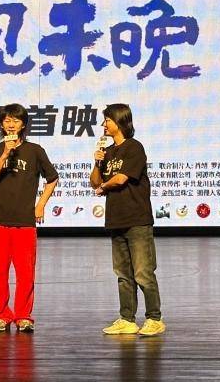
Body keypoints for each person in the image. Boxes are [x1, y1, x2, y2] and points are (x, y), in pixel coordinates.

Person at [0, 103, 58, 333]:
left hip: (25, 222)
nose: (11, 124)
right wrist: (5, 153)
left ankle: (23, 315)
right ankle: (1, 315)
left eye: (15, 120)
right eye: (7, 120)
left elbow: (52, 178)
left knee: (25, 273)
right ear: (1, 125)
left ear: (23, 124)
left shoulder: (35, 151)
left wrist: (40, 205)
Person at [91, 104, 164, 336]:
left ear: (120, 121)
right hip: (116, 219)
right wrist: (97, 162)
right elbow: (95, 182)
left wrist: (104, 186)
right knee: (123, 275)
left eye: (107, 120)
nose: (103, 125)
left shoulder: (134, 147)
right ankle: (127, 319)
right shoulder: (107, 151)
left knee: (143, 272)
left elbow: (121, 178)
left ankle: (154, 319)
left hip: (137, 219)